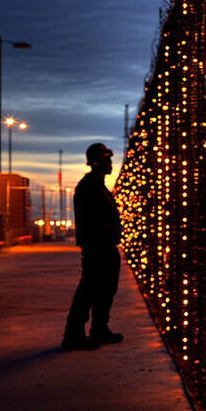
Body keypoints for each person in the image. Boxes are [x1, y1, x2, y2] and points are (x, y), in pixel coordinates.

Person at [61, 143, 124, 350]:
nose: (111, 164)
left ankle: (99, 329)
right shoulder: (89, 186)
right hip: (98, 248)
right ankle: (73, 335)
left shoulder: (97, 185)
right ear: (99, 162)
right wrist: (101, 242)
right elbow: (93, 220)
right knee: (88, 290)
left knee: (106, 290)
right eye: (108, 159)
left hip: (105, 246)